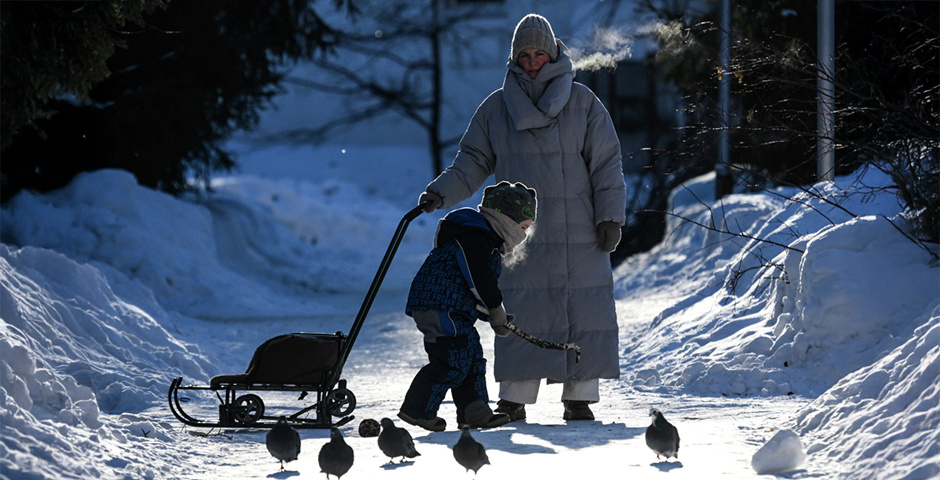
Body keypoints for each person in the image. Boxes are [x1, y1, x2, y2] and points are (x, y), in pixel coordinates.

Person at [417, 13, 626, 422]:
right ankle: (514, 398)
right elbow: (472, 162)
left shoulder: (584, 104)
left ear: (553, 53)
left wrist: (611, 218)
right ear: (514, 59)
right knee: (521, 307)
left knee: (584, 309)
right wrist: (440, 192)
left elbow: (606, 164)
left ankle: (578, 397)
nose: (532, 62)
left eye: (539, 54)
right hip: (517, 232)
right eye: (524, 55)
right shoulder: (496, 109)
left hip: (580, 227)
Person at [399, 181, 538, 431]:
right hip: (439, 307)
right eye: (523, 227)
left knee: (471, 356)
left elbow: (469, 290)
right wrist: (496, 309)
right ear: (507, 221)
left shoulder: (483, 239)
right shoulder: (474, 238)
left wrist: (493, 315)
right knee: (452, 360)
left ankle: (474, 412)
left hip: (452, 309)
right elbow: (478, 280)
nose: (524, 235)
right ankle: (417, 410)